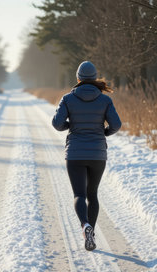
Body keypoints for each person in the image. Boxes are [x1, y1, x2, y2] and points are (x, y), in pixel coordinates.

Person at [52, 61, 121, 251]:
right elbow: (116, 125)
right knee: (92, 194)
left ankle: (85, 226)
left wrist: (71, 126)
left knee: (79, 194)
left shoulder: (68, 98)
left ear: (78, 78)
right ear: (95, 77)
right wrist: (103, 133)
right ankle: (91, 231)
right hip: (98, 153)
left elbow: (57, 124)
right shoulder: (105, 100)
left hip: (74, 153)